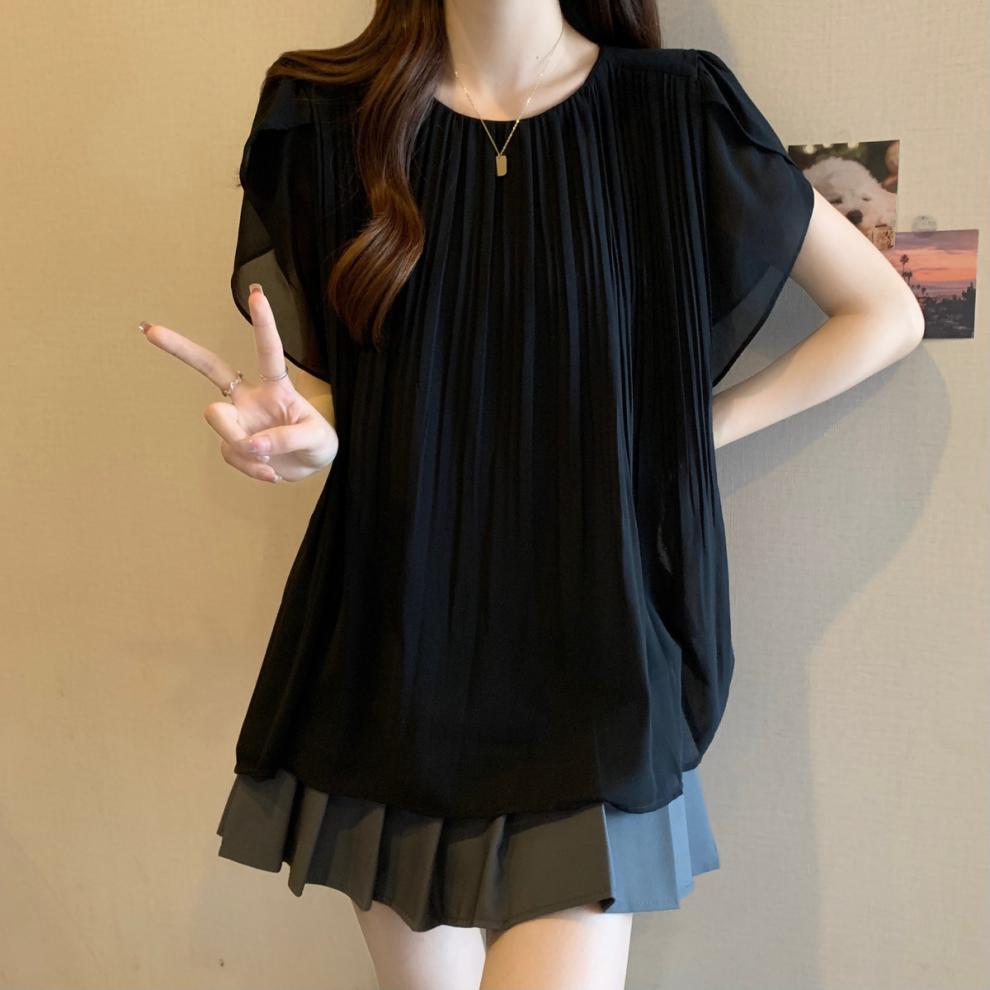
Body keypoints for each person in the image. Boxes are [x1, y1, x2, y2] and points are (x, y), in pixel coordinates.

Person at [141, 2, 924, 987]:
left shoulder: (673, 112)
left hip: (594, 664)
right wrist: (314, 434)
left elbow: (883, 313)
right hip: (395, 659)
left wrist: (679, 439)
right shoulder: (330, 117)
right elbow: (386, 394)